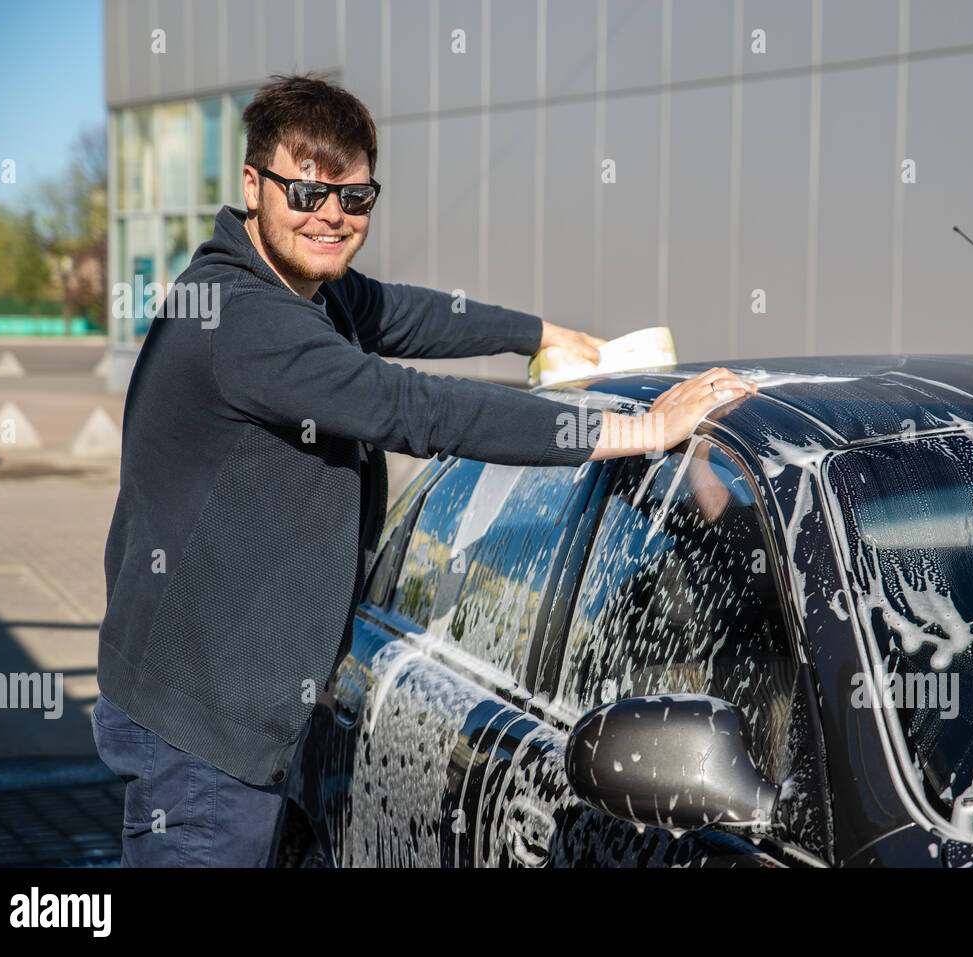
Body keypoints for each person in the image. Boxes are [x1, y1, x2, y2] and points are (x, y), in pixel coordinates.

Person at [91, 73, 756, 867]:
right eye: (305, 191)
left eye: (355, 198)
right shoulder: (245, 320)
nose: (330, 216)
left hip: (230, 711)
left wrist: (540, 333)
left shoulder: (305, 287)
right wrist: (641, 427)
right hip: (201, 734)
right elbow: (421, 409)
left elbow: (400, 311)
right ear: (253, 185)